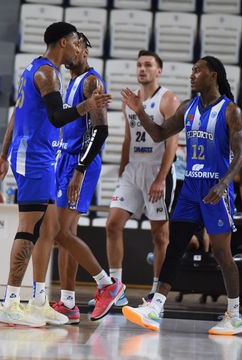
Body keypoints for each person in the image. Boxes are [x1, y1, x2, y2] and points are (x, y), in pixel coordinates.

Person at [0, 22, 114, 327]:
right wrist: (87, 106)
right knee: (29, 228)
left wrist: (3, 155)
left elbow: (18, 114)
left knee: (51, 229)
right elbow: (57, 117)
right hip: (35, 157)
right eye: (73, 42)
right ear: (61, 43)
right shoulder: (47, 73)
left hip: (41, 156)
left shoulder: (36, 69)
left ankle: (40, 300)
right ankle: (10, 301)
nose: (76, 47)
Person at [121, 56, 242, 335]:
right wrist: (140, 111)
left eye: (197, 71)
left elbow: (241, 154)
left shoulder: (230, 111)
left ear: (212, 75)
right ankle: (156, 307)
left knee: (222, 254)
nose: (192, 75)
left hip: (216, 188)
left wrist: (224, 183)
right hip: (191, 187)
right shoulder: (188, 108)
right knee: (175, 245)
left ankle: (235, 315)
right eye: (191, 71)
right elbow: (159, 134)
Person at [99, 50, 180, 306]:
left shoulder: (168, 100)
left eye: (148, 65)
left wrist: (160, 178)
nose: (142, 69)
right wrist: (123, 169)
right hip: (133, 171)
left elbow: (172, 145)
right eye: (139, 65)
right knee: (112, 224)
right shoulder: (129, 100)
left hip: (157, 171)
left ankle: (156, 292)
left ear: (159, 71)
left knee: (159, 236)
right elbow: (128, 138)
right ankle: (116, 289)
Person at [48, 33, 110, 324]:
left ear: (84, 49)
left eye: (76, 45)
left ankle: (106, 284)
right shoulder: (71, 81)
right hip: (66, 159)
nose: (71, 50)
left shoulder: (91, 82)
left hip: (79, 163)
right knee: (66, 236)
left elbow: (101, 130)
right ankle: (68, 303)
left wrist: (80, 169)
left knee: (60, 233)